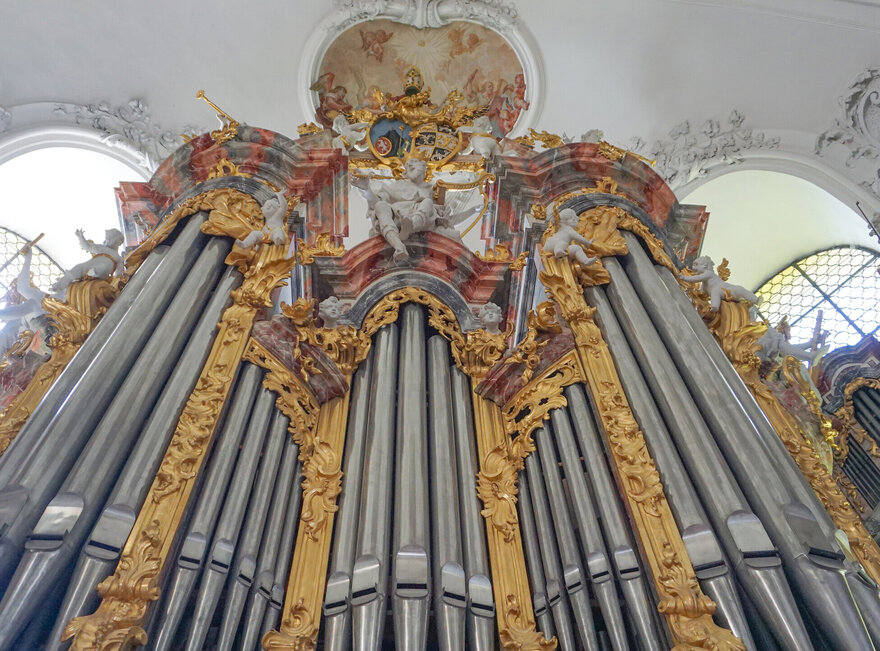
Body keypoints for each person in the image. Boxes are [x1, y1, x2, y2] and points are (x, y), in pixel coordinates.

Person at [364, 158, 444, 263]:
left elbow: (435, 210)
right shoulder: (396, 185)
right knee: (380, 205)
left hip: (419, 219)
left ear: (424, 169)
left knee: (428, 202)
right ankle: (398, 245)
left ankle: (410, 226)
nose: (410, 166)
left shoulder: (429, 190)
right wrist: (366, 189)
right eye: (409, 166)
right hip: (395, 216)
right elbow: (375, 204)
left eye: (415, 164)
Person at [51, 228, 124, 293]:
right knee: (78, 268)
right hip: (93, 267)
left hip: (102, 271)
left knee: (100, 268)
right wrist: (81, 237)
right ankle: (60, 286)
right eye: (106, 238)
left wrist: (120, 282)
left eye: (109, 238)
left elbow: (119, 275)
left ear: (118, 242)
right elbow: (88, 246)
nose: (106, 240)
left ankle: (92, 274)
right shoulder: (103, 248)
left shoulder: (117, 257)